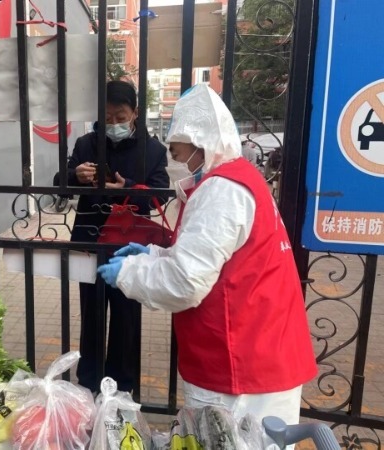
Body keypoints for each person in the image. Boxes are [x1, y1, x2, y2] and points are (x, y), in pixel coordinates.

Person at [97, 84, 317, 425]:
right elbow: (216, 258)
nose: (174, 162)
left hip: (238, 364)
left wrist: (128, 273)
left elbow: (185, 283)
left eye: (177, 152)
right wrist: (155, 255)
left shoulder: (221, 190)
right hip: (259, 349)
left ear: (200, 143)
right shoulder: (239, 179)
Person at [66, 80, 169, 393]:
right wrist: (75, 176)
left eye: (120, 117)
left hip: (130, 246)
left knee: (127, 317)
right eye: (107, 117)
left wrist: (128, 189)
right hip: (90, 242)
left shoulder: (153, 150)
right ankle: (89, 382)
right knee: (92, 315)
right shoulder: (86, 144)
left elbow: (160, 195)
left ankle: (122, 386)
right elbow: (60, 184)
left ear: (135, 113)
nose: (113, 123)